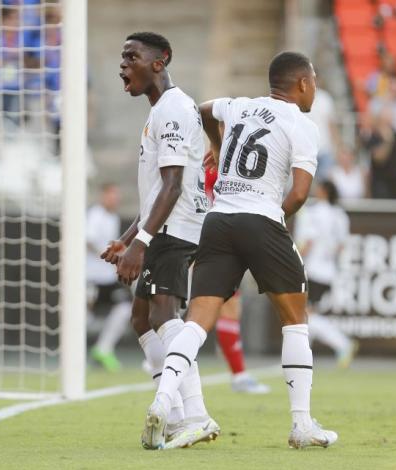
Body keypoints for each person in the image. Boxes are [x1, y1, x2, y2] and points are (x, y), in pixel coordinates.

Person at [143, 52, 338, 450]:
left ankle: (163, 401)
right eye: (313, 81)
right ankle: (301, 424)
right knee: (295, 319)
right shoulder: (302, 124)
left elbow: (202, 110)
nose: (315, 88)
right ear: (302, 84)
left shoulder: (240, 106)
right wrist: (275, 218)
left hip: (218, 220)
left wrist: (215, 145)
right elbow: (299, 193)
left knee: (196, 322)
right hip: (261, 218)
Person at [100, 32, 218, 449]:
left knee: (164, 316)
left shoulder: (172, 109)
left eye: (131, 56)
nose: (122, 65)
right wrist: (127, 238)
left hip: (177, 227)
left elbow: (172, 186)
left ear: (159, 61)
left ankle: (194, 414)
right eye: (121, 57)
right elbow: (156, 191)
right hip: (164, 226)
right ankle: (179, 416)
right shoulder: (160, 110)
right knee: (141, 319)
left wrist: (141, 242)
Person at [204, 166, 270, 394]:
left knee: (228, 308)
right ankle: (163, 360)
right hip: (206, 242)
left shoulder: (220, 164)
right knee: (198, 313)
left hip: (215, 242)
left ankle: (239, 375)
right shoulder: (213, 168)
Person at [294, 181, 357, 368]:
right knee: (306, 314)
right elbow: (341, 245)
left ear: (323, 191)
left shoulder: (312, 212)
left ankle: (343, 344)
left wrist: (295, 261)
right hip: (328, 271)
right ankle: (303, 353)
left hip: (312, 269)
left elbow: (308, 242)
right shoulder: (340, 215)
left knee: (305, 314)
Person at [86, 184, 132, 372]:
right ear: (103, 196)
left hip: (108, 279)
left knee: (125, 308)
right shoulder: (95, 214)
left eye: (117, 196)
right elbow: (87, 240)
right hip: (91, 278)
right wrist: (108, 255)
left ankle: (103, 350)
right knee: (84, 319)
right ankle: (73, 357)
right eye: (111, 195)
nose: (115, 199)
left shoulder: (113, 218)